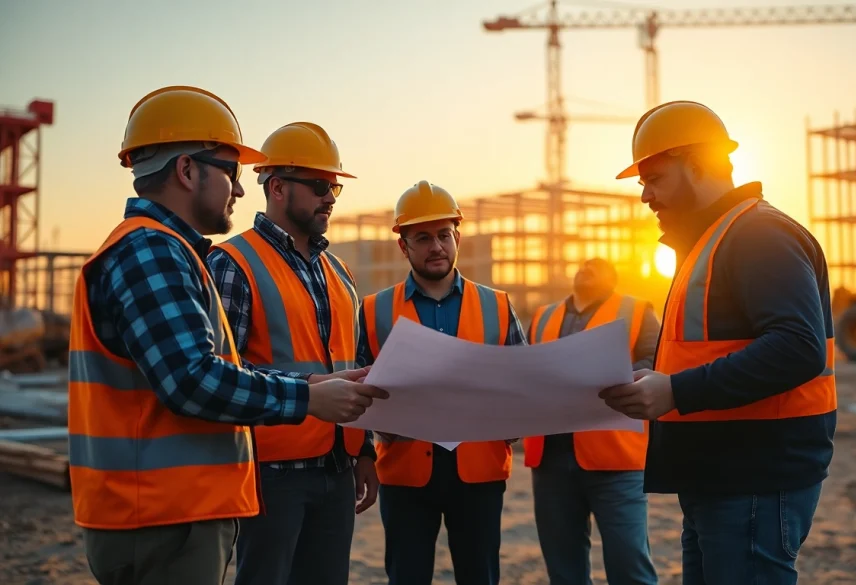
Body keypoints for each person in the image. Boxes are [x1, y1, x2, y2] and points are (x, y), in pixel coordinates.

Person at [66, 86, 387, 585]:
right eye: (231, 172)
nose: (239, 190)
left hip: (181, 510)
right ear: (187, 170)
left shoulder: (174, 252)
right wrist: (308, 397)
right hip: (161, 515)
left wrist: (337, 412)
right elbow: (192, 379)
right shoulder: (152, 252)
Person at [599, 100, 837, 585]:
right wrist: (659, 382)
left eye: (655, 178)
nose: (645, 195)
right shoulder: (714, 241)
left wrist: (675, 392)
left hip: (754, 479)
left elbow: (797, 347)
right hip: (721, 475)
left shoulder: (759, 235)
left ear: (698, 165)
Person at [207, 121, 379, 585]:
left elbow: (353, 368)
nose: (330, 198)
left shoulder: (338, 272)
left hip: (337, 470)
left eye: (335, 188)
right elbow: (220, 375)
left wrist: (365, 450)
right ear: (277, 187)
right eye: (321, 186)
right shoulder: (232, 263)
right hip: (271, 475)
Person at [355, 180, 527, 585]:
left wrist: (515, 420)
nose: (436, 246)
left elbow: (524, 382)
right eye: (423, 237)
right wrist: (364, 451)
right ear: (404, 246)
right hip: (405, 473)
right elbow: (357, 390)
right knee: (407, 576)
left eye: (444, 235)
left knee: (479, 576)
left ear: (458, 237)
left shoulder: (497, 305)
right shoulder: (374, 309)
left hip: (479, 472)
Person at [523, 257, 660, 585]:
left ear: (613, 277)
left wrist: (610, 374)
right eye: (584, 263)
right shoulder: (543, 315)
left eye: (597, 263)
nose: (587, 266)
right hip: (550, 460)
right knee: (563, 569)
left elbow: (655, 360)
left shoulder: (637, 310)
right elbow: (524, 366)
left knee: (629, 565)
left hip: (616, 460)